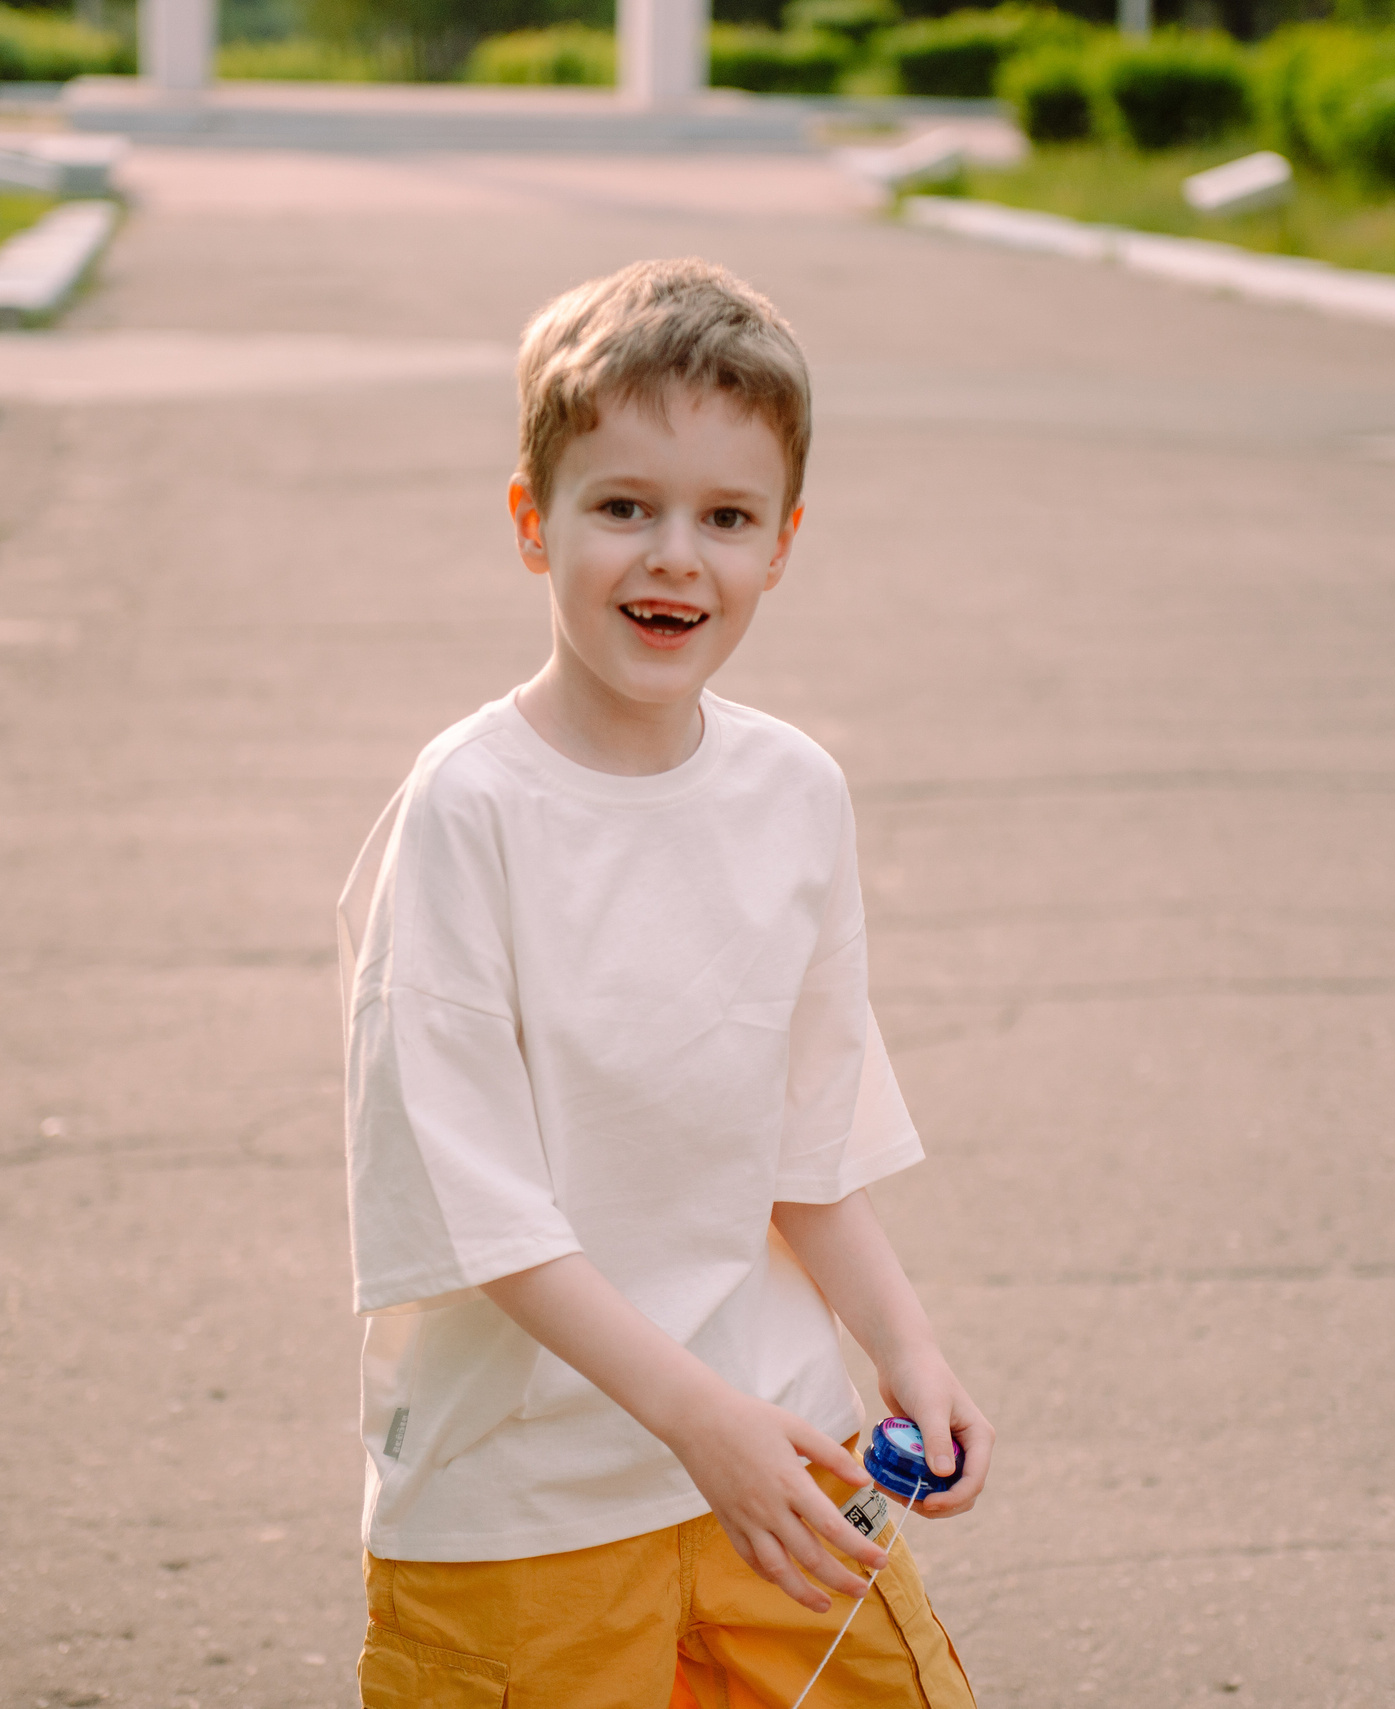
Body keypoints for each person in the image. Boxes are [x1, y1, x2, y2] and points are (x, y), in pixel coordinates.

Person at [338, 257, 989, 1707]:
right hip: (529, 1500)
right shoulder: (470, 811)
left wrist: (905, 1349)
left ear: (785, 542)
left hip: (781, 1448)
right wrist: (700, 1418)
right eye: (623, 506)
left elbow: (804, 1147)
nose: (674, 556)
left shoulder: (795, 792)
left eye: (726, 517)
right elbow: (479, 1210)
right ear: (532, 522)